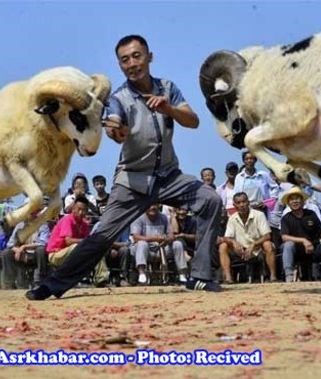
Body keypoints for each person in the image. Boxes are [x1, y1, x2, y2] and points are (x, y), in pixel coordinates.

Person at [26, 34, 222, 300]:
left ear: (149, 57)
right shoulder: (118, 98)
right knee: (101, 236)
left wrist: (169, 109)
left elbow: (193, 121)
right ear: (120, 65)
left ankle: (200, 276)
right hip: (132, 181)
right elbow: (114, 126)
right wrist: (117, 131)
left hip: (169, 175)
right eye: (124, 60)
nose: (132, 63)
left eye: (137, 56)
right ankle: (52, 286)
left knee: (210, 199)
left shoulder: (168, 87)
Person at [219, 192, 277, 284]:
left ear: (248, 202)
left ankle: (273, 277)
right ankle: (228, 278)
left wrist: (253, 244)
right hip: (240, 251)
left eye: (243, 202)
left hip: (257, 249)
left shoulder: (259, 215)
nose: (241, 205)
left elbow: (267, 235)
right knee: (223, 246)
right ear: (234, 205)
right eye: (238, 203)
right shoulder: (232, 218)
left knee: (268, 244)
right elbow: (227, 237)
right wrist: (233, 242)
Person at [280, 186, 321, 282]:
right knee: (288, 245)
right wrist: (304, 241)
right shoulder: (285, 218)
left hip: (313, 247)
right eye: (292, 199)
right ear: (288, 203)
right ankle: (289, 277)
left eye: (297, 198)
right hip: (296, 250)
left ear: (302, 201)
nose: (294, 201)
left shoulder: (311, 214)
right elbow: (284, 237)